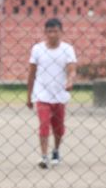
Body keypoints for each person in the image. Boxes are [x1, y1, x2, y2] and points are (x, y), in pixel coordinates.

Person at [25, 18, 77, 169]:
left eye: (55, 31)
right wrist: (29, 96)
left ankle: (56, 150)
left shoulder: (67, 49)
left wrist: (70, 80)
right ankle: (44, 156)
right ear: (44, 33)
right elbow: (31, 73)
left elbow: (72, 69)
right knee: (44, 124)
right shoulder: (37, 50)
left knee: (58, 127)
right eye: (49, 31)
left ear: (61, 32)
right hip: (42, 94)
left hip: (59, 94)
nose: (52, 35)